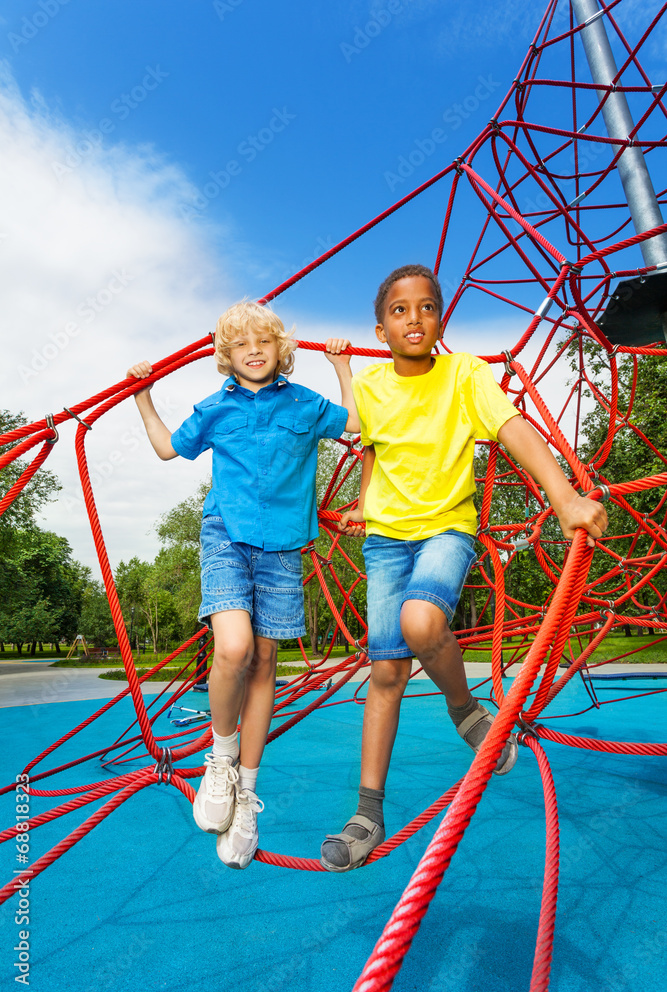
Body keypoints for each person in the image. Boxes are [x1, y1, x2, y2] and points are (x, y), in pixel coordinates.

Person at [320, 264, 608, 873]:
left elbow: (514, 431)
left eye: (426, 307)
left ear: (440, 318)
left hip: (447, 528)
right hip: (386, 541)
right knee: (387, 673)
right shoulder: (372, 385)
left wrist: (564, 498)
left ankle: (464, 709)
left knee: (422, 623)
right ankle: (367, 812)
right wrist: (362, 505)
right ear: (382, 326)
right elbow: (373, 446)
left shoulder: (465, 374)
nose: (414, 318)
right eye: (400, 311)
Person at [128, 300, 359, 870]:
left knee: (263, 664)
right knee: (232, 648)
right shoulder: (216, 408)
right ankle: (220, 761)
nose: (253, 350)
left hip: (282, 548)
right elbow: (167, 447)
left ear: (281, 350)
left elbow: (354, 423)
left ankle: (246, 797)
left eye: (264, 341)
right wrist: (142, 396)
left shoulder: (303, 404)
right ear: (225, 357)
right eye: (240, 344)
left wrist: (342, 368)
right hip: (226, 536)